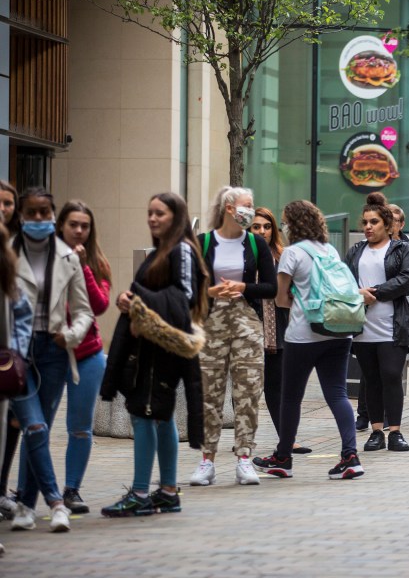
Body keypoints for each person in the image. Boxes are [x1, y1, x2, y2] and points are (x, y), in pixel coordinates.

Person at [100, 192, 209, 517]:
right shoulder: (165, 250)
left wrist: (137, 299)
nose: (152, 218)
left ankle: (141, 493)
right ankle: (167, 491)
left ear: (175, 217)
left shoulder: (181, 250)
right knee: (156, 415)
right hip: (150, 345)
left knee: (146, 413)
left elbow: (183, 297)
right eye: (149, 212)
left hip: (164, 346)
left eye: (159, 213)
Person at [252, 200, 364, 480]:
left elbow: (279, 298)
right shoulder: (329, 251)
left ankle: (282, 458)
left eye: (284, 222)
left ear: (294, 224)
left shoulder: (292, 253)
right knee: (337, 394)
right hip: (340, 330)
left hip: (305, 334)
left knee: (290, 397)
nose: (283, 227)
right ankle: (350, 456)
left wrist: (294, 298)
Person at [8, 188, 93, 532]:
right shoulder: (7, 255)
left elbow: (85, 312)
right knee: (36, 426)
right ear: (22, 216)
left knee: (36, 430)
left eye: (45, 212)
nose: (40, 219)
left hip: (55, 351)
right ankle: (56, 502)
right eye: (33, 213)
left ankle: (26, 507)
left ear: (52, 215)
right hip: (17, 354)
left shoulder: (68, 258)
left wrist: (71, 336)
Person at [191, 187, 276, 487]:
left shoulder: (255, 244)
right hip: (211, 323)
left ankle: (244, 457)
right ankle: (207, 460)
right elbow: (188, 288)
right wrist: (211, 291)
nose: (250, 211)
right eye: (246, 206)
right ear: (229, 208)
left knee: (248, 392)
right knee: (209, 393)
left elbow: (271, 288)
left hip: (246, 321)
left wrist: (242, 288)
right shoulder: (202, 243)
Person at [344, 193, 409, 453]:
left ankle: (395, 431)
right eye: (364, 222)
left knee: (391, 375)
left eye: (373, 222)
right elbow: (344, 283)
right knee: (371, 379)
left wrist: (374, 292)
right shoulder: (355, 251)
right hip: (363, 328)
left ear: (387, 224)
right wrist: (357, 295)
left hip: (393, 325)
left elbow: (407, 279)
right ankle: (376, 431)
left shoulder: (401, 249)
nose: (367, 227)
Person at [53, 201, 111, 514]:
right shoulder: (44, 259)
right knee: (36, 426)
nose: (78, 231)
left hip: (88, 353)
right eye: (73, 224)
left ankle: (71, 490)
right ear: (61, 225)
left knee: (79, 427)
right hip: (49, 352)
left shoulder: (97, 262)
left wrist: (84, 267)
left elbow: (100, 305)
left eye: (84, 226)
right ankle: (26, 492)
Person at [251, 207, 309, 453]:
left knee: (278, 388)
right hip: (249, 330)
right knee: (248, 388)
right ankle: (244, 441)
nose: (262, 231)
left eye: (266, 227)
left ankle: (287, 439)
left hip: (280, 331)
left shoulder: (282, 254)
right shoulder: (243, 255)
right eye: (256, 226)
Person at [0, 222, 33, 531]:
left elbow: (23, 318)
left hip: (1, 369)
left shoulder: (9, 279)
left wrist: (15, 355)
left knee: (9, 427)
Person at [0, 181, 21, 518]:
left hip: (6, 356)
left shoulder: (12, 251)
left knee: (10, 424)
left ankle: (2, 489)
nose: (3, 208)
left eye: (8, 204)